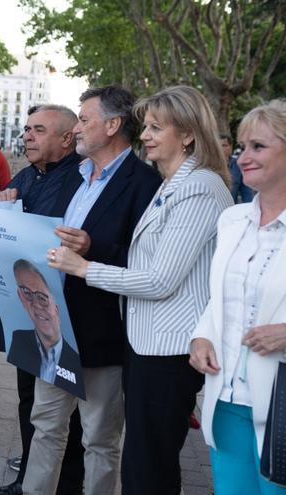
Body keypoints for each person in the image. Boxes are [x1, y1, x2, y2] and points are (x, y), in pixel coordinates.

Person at [49, 85, 232, 494]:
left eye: (155, 127)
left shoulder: (199, 187)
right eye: (145, 126)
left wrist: (85, 267)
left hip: (168, 351)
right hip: (146, 345)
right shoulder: (171, 183)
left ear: (187, 134)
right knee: (142, 465)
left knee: (148, 469)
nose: (144, 135)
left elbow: (158, 279)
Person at [20, 86, 161, 495]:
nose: (78, 128)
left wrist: (92, 248)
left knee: (99, 439)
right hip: (55, 328)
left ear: (113, 125)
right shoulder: (79, 177)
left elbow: (148, 262)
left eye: (84, 119)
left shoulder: (145, 183)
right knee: (45, 425)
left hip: (103, 334)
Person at [189, 100, 286, 494]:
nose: (243, 157)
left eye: (258, 147)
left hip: (281, 407)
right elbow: (219, 298)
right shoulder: (232, 219)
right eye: (242, 147)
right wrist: (199, 337)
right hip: (225, 398)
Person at [0, 104, 85, 495]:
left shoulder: (83, 181)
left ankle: (68, 484)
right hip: (26, 310)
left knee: (70, 411)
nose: (27, 135)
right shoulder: (25, 178)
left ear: (67, 138)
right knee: (28, 399)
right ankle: (28, 478)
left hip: (69, 313)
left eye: (38, 130)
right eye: (27, 129)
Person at [7, 259, 83, 397]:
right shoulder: (19, 338)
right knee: (30, 400)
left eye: (42, 298)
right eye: (27, 293)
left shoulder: (73, 357)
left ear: (57, 307)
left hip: (83, 327)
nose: (36, 304)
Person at [221, 132, 255, 204]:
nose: (221, 148)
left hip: (231, 209)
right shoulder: (209, 165)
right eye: (218, 145)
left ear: (230, 147)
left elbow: (246, 191)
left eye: (224, 145)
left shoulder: (238, 165)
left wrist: (249, 208)